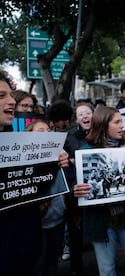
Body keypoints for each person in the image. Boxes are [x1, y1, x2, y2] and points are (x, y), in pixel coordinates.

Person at [0, 69, 69, 275]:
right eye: (1, 96)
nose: (11, 101)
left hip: (26, 250)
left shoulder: (19, 145)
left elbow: (32, 188)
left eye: (11, 94)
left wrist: (53, 164)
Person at [73, 106, 125, 276]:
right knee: (107, 269)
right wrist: (77, 190)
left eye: (121, 121)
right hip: (100, 220)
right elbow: (77, 185)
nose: (122, 126)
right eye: (117, 122)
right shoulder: (85, 152)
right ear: (103, 125)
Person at [26, 120, 67, 276]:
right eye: (40, 131)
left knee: (53, 259)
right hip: (37, 222)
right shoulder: (23, 158)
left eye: (48, 130)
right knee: (39, 261)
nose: (46, 133)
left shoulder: (60, 154)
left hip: (58, 217)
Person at [63, 101, 95, 274]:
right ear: (76, 119)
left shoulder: (100, 136)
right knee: (76, 233)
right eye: (81, 114)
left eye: (88, 113)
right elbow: (64, 167)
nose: (85, 116)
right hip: (76, 194)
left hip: (97, 193)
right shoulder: (69, 139)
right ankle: (76, 268)